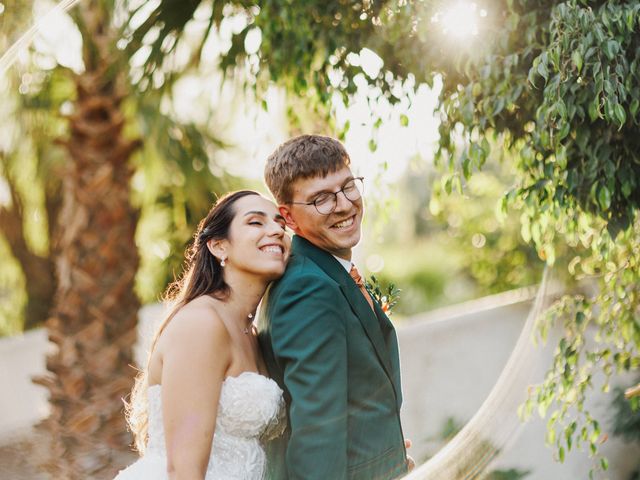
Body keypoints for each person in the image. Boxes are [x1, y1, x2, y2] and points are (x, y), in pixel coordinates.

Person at [259, 135, 410, 480]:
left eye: (348, 186)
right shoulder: (306, 289)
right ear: (289, 218)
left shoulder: (326, 273)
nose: (344, 205)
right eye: (322, 199)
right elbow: (318, 433)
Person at [115, 190, 290, 480]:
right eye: (256, 223)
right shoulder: (201, 323)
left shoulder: (251, 331)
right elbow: (184, 470)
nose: (276, 231)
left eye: (280, 224)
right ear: (219, 246)